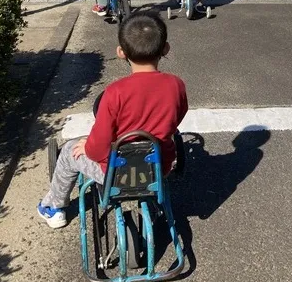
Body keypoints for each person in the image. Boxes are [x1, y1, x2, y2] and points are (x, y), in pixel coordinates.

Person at [37, 12, 189, 228]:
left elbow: (98, 147)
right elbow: (177, 118)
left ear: (120, 52)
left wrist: (87, 147)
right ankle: (152, 200)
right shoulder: (176, 85)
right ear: (165, 48)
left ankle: (53, 208)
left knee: (70, 152)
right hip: (157, 167)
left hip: (116, 172)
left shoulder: (115, 92)